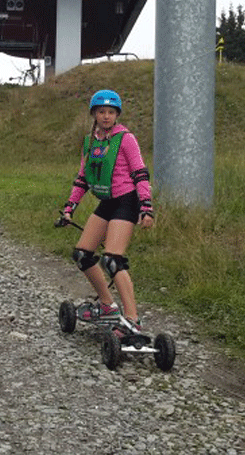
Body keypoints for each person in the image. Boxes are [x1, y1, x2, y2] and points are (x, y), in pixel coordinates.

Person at [61, 89, 154, 331]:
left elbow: (140, 173)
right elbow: (83, 177)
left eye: (111, 112)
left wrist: (146, 206)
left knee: (112, 260)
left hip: (127, 201)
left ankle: (132, 321)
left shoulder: (126, 139)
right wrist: (70, 206)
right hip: (108, 201)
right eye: (101, 112)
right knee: (82, 255)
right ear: (94, 114)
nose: (106, 116)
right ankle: (106, 305)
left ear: (117, 115)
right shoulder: (91, 141)